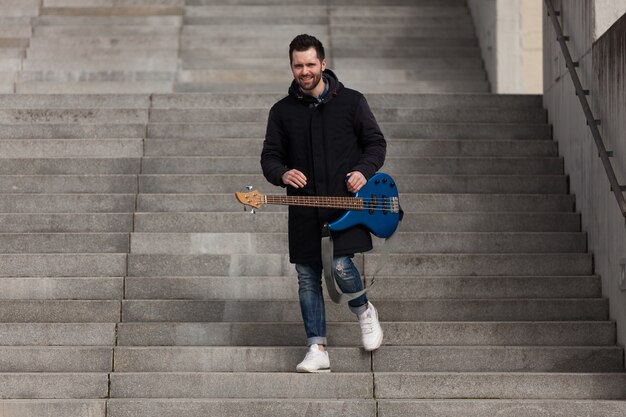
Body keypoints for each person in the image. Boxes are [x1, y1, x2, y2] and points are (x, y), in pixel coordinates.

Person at [260, 34, 387, 373]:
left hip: (346, 207)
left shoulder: (352, 102)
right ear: (292, 67)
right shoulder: (281, 112)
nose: (305, 71)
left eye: (310, 64)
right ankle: (317, 348)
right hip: (303, 211)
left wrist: (363, 171)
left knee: (341, 266)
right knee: (306, 276)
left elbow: (375, 144)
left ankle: (363, 310)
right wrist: (283, 174)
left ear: (323, 64)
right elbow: (270, 157)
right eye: (298, 65)